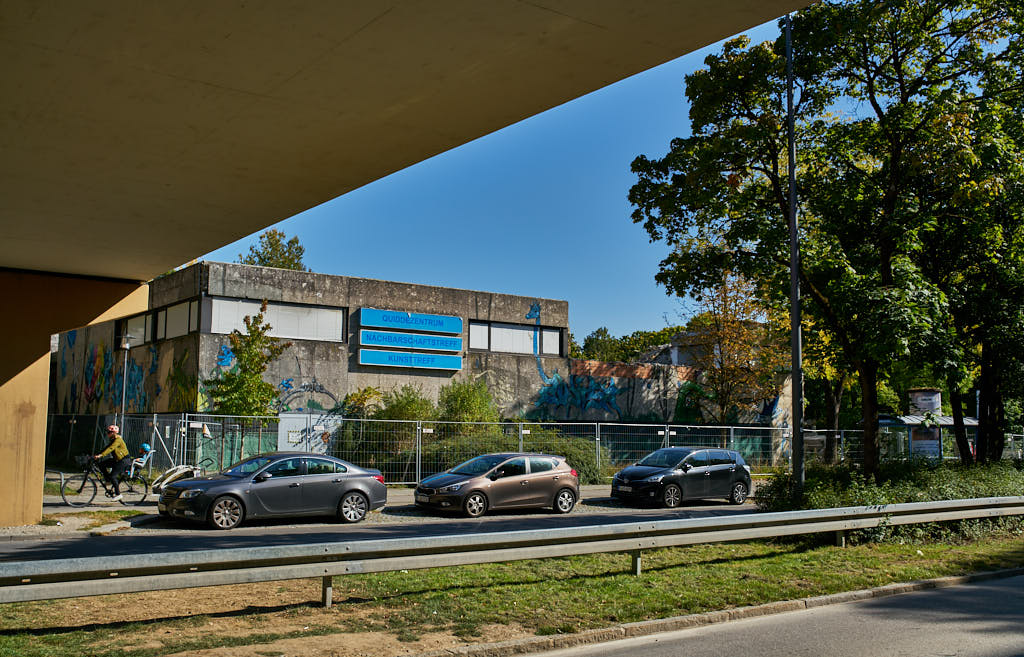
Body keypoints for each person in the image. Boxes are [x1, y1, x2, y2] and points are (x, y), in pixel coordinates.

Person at [94, 424, 130, 501]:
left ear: (114, 433)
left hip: (123, 460)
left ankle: (118, 494)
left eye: (109, 432)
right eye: (107, 432)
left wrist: (101, 455)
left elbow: (111, 448)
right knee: (101, 464)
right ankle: (108, 480)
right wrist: (97, 454)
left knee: (113, 476)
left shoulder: (118, 440)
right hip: (117, 459)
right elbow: (106, 447)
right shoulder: (112, 439)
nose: (108, 434)